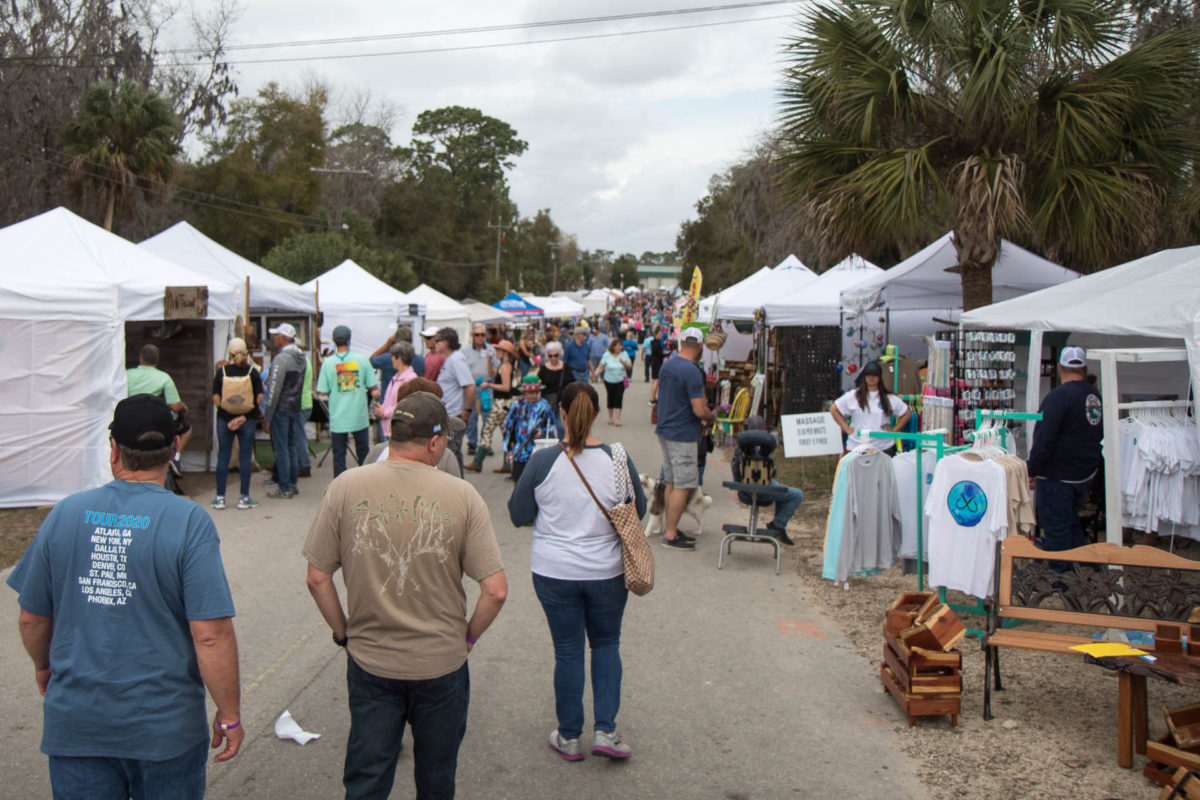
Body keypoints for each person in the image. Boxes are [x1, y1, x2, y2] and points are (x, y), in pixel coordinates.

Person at [7, 394, 243, 798]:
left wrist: (43, 667)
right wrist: (230, 713)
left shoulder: (66, 513)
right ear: (174, 450)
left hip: (78, 721)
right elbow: (211, 634)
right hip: (164, 728)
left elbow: (32, 617)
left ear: (113, 448)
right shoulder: (189, 521)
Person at [303, 391, 507, 800]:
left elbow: (317, 578)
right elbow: (496, 591)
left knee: (367, 777)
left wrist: (344, 634)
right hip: (441, 663)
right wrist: (467, 638)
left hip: (372, 660)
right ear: (434, 442)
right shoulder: (462, 496)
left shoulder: (346, 487)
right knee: (436, 776)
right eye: (445, 439)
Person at [508, 382, 647, 762]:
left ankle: (569, 735)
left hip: (554, 570)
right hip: (607, 571)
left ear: (562, 414)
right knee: (606, 644)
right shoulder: (617, 458)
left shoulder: (542, 460)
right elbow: (640, 508)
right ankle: (606, 731)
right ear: (597, 413)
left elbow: (518, 513)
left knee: (567, 651)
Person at [1027, 346, 1103, 554]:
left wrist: (1031, 469)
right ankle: (1084, 568)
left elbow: (1044, 439)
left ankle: (1061, 576)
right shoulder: (1094, 395)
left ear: (1059, 367)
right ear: (1084, 369)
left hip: (1058, 474)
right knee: (1070, 523)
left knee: (1057, 527)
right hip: (1084, 473)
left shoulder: (1058, 397)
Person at [653, 327, 715, 550]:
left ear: (681, 342)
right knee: (684, 483)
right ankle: (670, 534)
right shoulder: (692, 371)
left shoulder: (668, 365)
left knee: (672, 480)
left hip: (666, 429)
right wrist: (711, 416)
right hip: (682, 433)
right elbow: (699, 409)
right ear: (700, 347)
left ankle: (671, 526)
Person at [316, 325, 379, 478]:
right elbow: (372, 385)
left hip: (338, 417)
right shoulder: (362, 360)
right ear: (349, 340)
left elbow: (322, 390)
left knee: (339, 456)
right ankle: (365, 485)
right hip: (359, 416)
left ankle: (340, 489)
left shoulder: (328, 363)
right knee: (363, 453)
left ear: (334, 341)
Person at [730, 416, 802, 545]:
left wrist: (739, 484)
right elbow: (773, 471)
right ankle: (778, 525)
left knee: (782, 492)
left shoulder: (741, 445)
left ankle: (778, 525)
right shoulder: (768, 446)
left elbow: (735, 465)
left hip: (745, 490)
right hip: (765, 489)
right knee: (796, 494)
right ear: (764, 430)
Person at [211, 338, 263, 510]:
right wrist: (244, 417)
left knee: (223, 457)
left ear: (229, 354)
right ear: (246, 353)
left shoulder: (222, 372)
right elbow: (259, 399)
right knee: (245, 457)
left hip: (224, 419)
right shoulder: (252, 372)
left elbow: (216, 398)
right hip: (247, 419)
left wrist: (228, 417)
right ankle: (244, 497)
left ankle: (220, 497)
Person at [126, 343, 191, 471]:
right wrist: (183, 406)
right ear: (157, 360)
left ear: (141, 358)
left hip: (131, 421)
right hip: (155, 423)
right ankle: (175, 458)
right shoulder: (164, 378)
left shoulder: (126, 375)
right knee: (187, 428)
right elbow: (175, 406)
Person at [264, 323, 309, 498]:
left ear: (282, 338)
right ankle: (292, 483)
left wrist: (267, 416)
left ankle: (284, 487)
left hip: (281, 409)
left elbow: (274, 388)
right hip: (295, 407)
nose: (274, 338)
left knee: (281, 447)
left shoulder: (281, 359)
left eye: (276, 336)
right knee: (291, 445)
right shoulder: (301, 357)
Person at [830, 360, 910, 454]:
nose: (871, 377)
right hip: (856, 446)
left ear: (879, 377)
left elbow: (906, 414)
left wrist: (893, 431)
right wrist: (846, 428)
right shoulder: (853, 395)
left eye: (875, 375)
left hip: (883, 447)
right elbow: (834, 409)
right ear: (864, 376)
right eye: (868, 374)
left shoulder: (889, 398)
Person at [466, 339, 519, 473]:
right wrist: (489, 361)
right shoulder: (504, 365)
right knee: (505, 432)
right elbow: (492, 373)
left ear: (505, 352)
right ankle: (507, 464)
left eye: (499, 350)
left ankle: (478, 462)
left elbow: (506, 387)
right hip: (504, 403)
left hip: (501, 403)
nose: (497, 352)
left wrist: (488, 385)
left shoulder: (505, 366)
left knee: (488, 430)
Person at [433, 327, 476, 474]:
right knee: (449, 452)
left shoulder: (456, 360)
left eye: (438, 340)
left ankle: (458, 486)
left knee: (452, 453)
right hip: (449, 414)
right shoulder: (451, 359)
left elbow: (470, 386)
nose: (435, 343)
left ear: (447, 342)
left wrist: (467, 411)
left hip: (455, 415)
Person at [502, 374, 558, 482]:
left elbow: (551, 426)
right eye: (531, 393)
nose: (534, 395)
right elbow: (509, 428)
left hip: (538, 453)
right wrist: (508, 449)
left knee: (536, 484)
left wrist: (542, 432)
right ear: (524, 392)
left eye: (537, 392)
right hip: (520, 452)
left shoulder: (544, 406)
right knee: (519, 484)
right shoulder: (517, 406)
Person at [464, 325, 496, 456]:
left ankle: (485, 443)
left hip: (486, 386)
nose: (480, 337)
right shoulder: (465, 351)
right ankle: (472, 442)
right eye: (477, 335)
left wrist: (489, 360)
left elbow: (494, 372)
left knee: (487, 416)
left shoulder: (491, 350)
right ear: (472, 336)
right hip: (471, 386)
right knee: (471, 417)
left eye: (482, 335)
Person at [376, 340, 418, 438]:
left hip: (397, 430)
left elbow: (405, 406)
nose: (391, 359)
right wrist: (381, 409)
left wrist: (385, 412)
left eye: (393, 356)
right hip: (388, 428)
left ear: (399, 358)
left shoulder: (410, 379)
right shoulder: (396, 377)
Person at [593, 339, 632, 426]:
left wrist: (624, 362)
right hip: (609, 380)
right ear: (613, 346)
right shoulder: (607, 355)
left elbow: (629, 366)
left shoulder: (624, 354)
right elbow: (601, 366)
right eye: (618, 345)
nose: (620, 347)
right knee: (610, 397)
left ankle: (617, 419)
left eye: (621, 345)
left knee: (619, 397)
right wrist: (595, 374)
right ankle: (610, 417)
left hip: (620, 379)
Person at [538, 340, 571, 438]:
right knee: (549, 428)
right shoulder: (544, 369)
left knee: (561, 427)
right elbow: (537, 383)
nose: (553, 358)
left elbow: (572, 383)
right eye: (550, 356)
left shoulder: (565, 367)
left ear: (559, 355)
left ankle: (562, 446)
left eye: (556, 355)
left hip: (562, 402)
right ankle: (552, 447)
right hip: (548, 403)